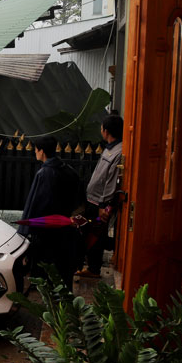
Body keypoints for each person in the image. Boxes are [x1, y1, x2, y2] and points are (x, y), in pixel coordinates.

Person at [19, 136, 84, 290]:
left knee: (44, 268)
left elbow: (35, 204)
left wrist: (24, 231)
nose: (35, 153)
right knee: (62, 268)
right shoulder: (69, 170)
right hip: (65, 228)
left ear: (41, 151)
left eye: (36, 150)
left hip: (46, 231)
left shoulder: (44, 173)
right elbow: (79, 200)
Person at [78, 114, 124, 278]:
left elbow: (111, 182)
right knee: (88, 232)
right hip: (92, 200)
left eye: (102, 128)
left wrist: (104, 206)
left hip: (100, 204)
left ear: (106, 131)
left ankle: (94, 269)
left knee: (96, 235)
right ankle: (90, 265)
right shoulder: (110, 148)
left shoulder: (119, 152)